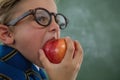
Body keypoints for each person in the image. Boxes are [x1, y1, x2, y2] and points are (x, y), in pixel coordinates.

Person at [0, 0, 83, 80]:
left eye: (57, 20)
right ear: (7, 34)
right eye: (41, 18)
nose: (56, 27)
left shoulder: (35, 71)